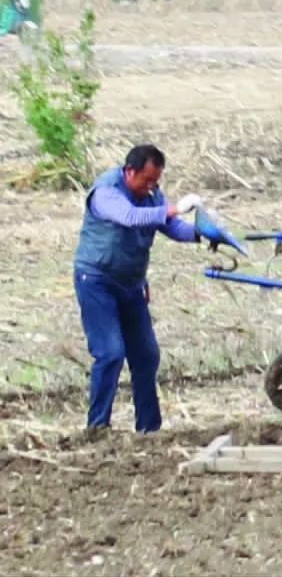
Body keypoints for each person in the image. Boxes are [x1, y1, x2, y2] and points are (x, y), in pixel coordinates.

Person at [72, 144, 204, 434]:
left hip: (131, 285)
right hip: (96, 281)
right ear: (129, 171)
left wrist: (201, 232)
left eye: (156, 182)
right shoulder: (107, 192)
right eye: (146, 180)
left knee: (146, 355)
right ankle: (97, 429)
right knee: (110, 353)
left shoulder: (151, 195)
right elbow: (130, 217)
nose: (151, 187)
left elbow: (172, 226)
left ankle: (149, 429)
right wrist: (175, 207)